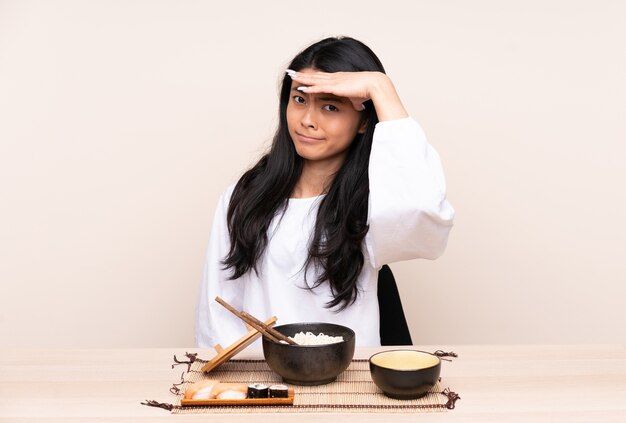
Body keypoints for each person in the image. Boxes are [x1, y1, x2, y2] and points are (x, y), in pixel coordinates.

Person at [195, 36, 454, 348]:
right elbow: (216, 311)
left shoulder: (374, 202)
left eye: (330, 107)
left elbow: (425, 219)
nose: (307, 121)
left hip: (349, 382)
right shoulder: (243, 196)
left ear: (363, 122)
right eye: (299, 100)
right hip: (263, 385)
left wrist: (381, 88)